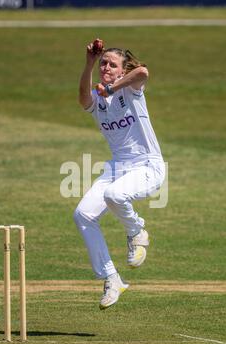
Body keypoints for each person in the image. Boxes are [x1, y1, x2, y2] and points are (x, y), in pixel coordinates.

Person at [74, 39, 165, 310]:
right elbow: (82, 100)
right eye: (104, 63)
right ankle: (112, 278)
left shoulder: (131, 89)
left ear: (122, 70)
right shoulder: (98, 96)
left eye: (112, 64)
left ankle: (137, 232)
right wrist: (89, 62)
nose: (106, 67)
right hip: (118, 167)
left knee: (114, 195)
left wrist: (113, 86)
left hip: (148, 165)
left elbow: (144, 72)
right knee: (83, 214)